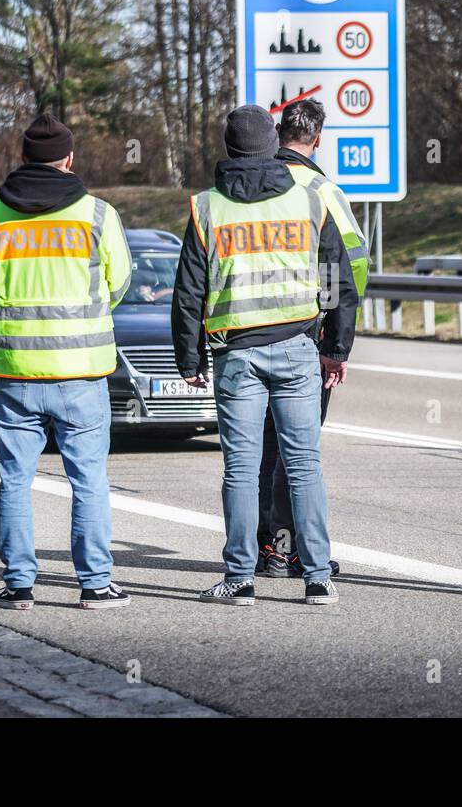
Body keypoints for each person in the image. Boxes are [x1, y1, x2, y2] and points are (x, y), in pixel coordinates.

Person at [172, 104, 358, 607]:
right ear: (271, 141)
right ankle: (318, 577)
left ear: (229, 147)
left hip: (237, 355)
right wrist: (336, 348)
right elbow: (337, 280)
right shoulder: (309, 201)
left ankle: (240, 577)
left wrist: (188, 358)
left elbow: (189, 289)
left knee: (241, 467)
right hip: (298, 349)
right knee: (303, 465)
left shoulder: (208, 207)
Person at [0, 114, 133, 611]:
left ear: (24, 158)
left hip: (16, 372)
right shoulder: (97, 215)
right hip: (81, 371)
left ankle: (19, 585)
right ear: (68, 159)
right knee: (87, 480)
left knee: (15, 478)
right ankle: (94, 585)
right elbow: (120, 282)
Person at [255, 97, 368, 577]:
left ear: (278, 134)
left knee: (256, 450)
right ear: (317, 140)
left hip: (243, 333)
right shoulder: (320, 191)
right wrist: (335, 339)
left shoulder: (246, 183)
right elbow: (350, 266)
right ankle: (292, 549)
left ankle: (265, 548)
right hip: (305, 336)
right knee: (295, 450)